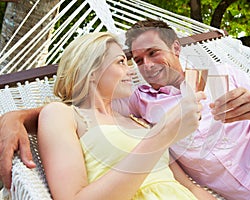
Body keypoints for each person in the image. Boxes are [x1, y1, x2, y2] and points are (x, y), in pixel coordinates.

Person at [1, 19, 250, 199]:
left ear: (176, 49)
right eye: (133, 59)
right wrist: (16, 115)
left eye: (153, 53)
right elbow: (81, 104)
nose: (142, 67)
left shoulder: (222, 71)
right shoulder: (139, 103)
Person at [27, 32, 215, 199]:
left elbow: (188, 186)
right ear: (91, 72)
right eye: (121, 62)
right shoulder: (62, 114)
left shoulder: (137, 121)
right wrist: (162, 135)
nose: (132, 70)